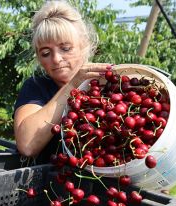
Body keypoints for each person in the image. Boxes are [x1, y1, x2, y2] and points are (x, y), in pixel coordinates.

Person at [13, 1, 111, 163]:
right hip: (49, 183)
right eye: (46, 53)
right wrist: (73, 85)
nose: (56, 59)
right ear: (39, 58)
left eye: (65, 49)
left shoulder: (106, 85)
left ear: (83, 45)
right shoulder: (37, 87)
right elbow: (27, 145)